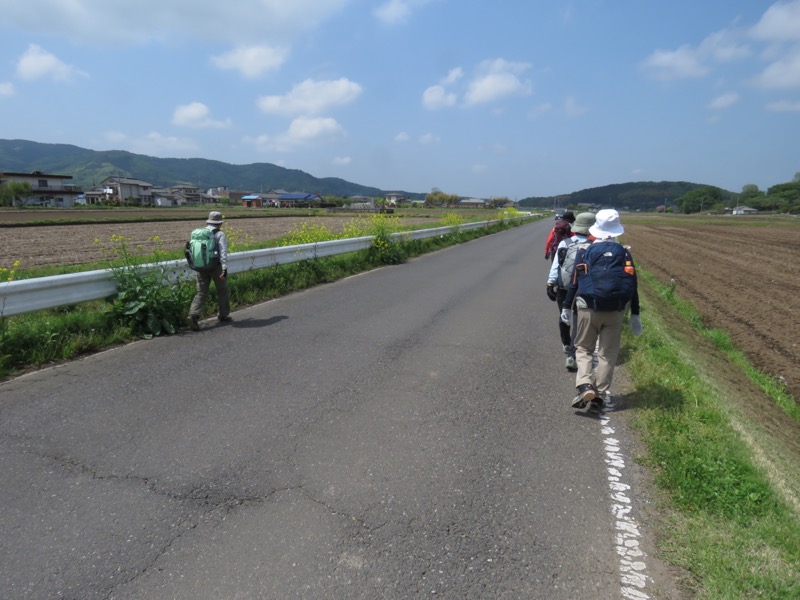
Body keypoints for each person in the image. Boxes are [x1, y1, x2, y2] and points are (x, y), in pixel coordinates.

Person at [561, 209, 642, 413]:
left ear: (595, 227)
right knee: (608, 353)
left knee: (583, 348)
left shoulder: (585, 251)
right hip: (615, 310)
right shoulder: (624, 253)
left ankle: (585, 385)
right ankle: (599, 396)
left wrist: (566, 306)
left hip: (588, 307)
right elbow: (633, 284)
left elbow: (574, 282)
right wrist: (635, 313)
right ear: (616, 229)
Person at [546, 212, 595, 371]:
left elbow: (556, 265)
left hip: (564, 287)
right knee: (579, 319)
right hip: (584, 288)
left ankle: (566, 344)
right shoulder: (593, 246)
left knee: (564, 315)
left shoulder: (565, 243)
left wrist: (550, 282)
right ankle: (573, 355)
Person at [187, 211, 231, 330]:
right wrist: (224, 268)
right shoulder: (220, 234)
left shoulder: (199, 234)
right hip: (215, 267)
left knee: (201, 292)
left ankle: (193, 315)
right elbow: (223, 252)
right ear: (220, 223)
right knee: (222, 290)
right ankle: (223, 315)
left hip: (200, 267)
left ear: (208, 221)